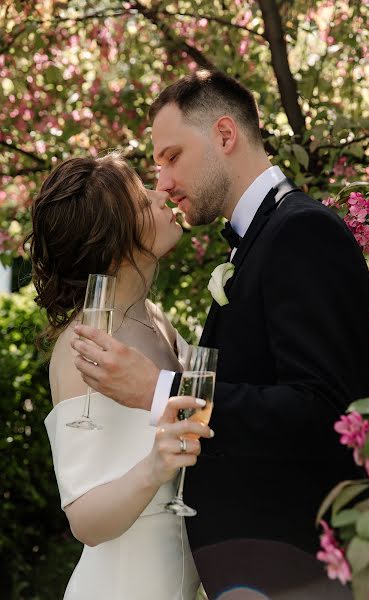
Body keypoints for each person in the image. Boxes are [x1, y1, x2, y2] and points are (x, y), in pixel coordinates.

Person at [73, 71, 369, 599]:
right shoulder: (258, 241)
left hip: (295, 571)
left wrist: (161, 391)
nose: (162, 181)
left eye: (171, 156)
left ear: (225, 135)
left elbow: (324, 410)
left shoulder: (301, 232)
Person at [28, 152, 215, 599]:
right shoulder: (86, 347)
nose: (161, 195)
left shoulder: (154, 319)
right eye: (143, 202)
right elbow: (85, 521)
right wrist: (153, 467)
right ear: (115, 243)